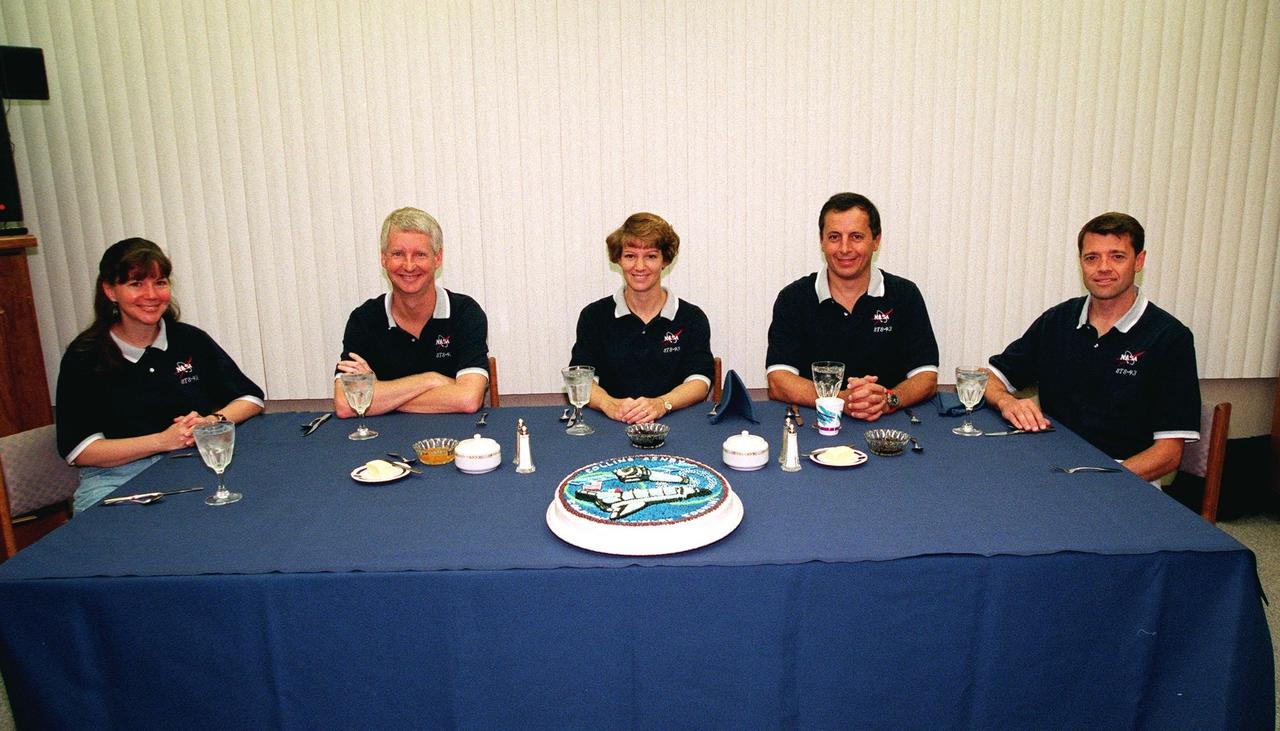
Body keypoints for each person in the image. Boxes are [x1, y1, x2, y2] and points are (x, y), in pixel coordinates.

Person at [983, 212, 1200, 481]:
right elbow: (987, 379)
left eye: (1117, 256)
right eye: (1092, 258)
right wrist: (1007, 402)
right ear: (1081, 263)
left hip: (1124, 477)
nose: (1103, 267)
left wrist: (1099, 482)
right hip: (1051, 467)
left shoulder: (1170, 337)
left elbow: (1168, 453)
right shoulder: (1057, 320)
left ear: (1139, 261)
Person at [55, 238, 265, 513]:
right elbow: (80, 451)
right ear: (110, 291)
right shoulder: (84, 356)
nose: (151, 295)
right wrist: (162, 441)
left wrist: (210, 423)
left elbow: (251, 398)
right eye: (136, 284)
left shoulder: (189, 340)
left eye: (160, 282)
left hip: (192, 467)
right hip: (115, 480)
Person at [766, 192, 939, 420]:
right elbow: (778, 380)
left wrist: (888, 399)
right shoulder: (793, 298)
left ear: (876, 241)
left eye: (856, 237)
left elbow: (926, 376)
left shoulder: (904, 295)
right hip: (816, 426)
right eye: (834, 237)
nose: (845, 248)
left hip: (890, 428)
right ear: (822, 240)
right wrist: (839, 400)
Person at [334, 207, 489, 415]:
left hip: (454, 441)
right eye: (398, 254)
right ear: (384, 259)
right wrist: (431, 379)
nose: (408, 266)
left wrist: (378, 394)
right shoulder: (363, 320)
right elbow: (345, 404)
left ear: (437, 258)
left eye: (420, 254)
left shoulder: (466, 314)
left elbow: (468, 399)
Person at [569, 212, 714, 424]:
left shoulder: (692, 317)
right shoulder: (594, 316)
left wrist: (661, 404)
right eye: (630, 256)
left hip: (674, 423)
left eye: (651, 256)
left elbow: (700, 381)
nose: (639, 266)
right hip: (611, 423)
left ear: (665, 260)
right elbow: (581, 379)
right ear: (618, 259)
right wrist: (609, 404)